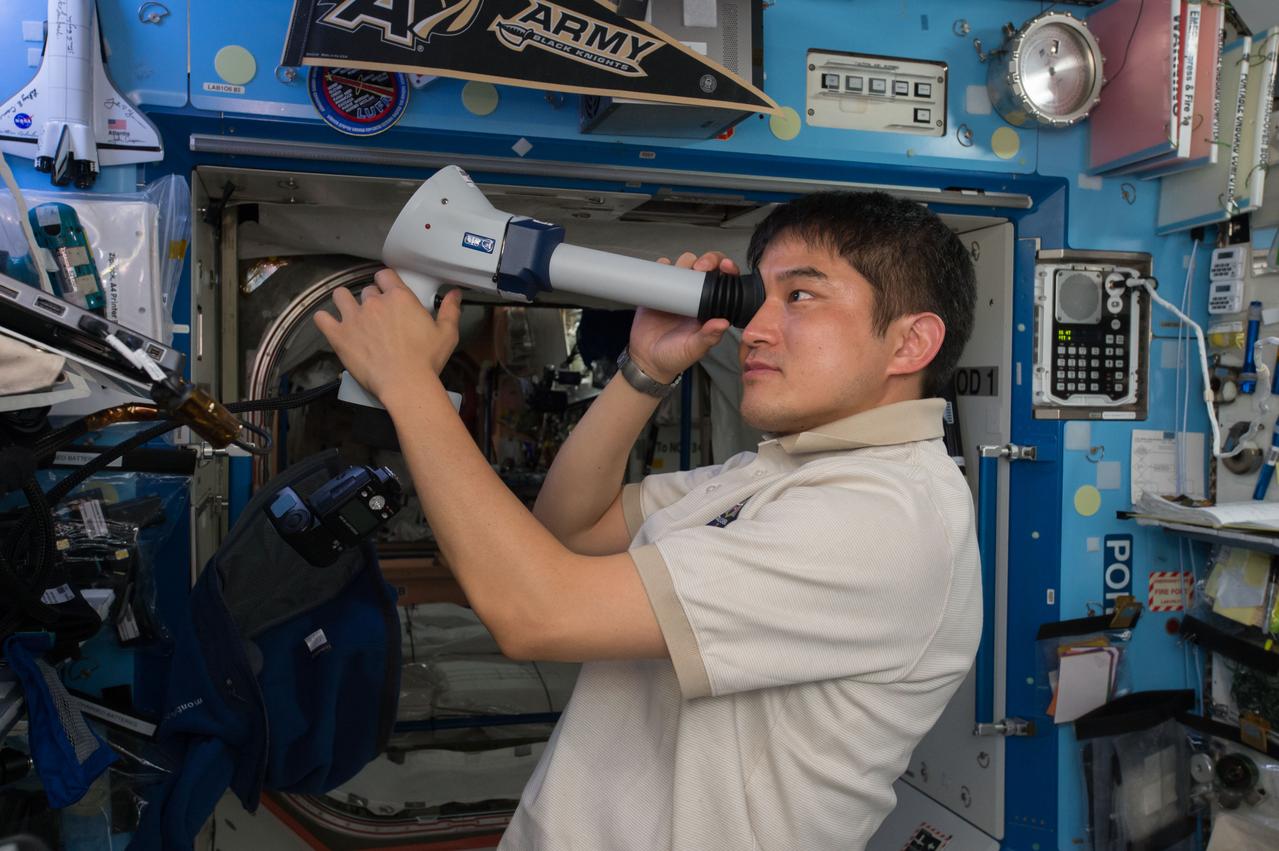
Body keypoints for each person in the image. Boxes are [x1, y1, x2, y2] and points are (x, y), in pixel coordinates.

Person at [315, 190, 982, 850]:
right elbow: (569, 531)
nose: (753, 329)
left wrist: (409, 384)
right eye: (758, 298)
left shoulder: (884, 517)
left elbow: (535, 611)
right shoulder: (777, 472)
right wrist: (644, 372)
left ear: (910, 342)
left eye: (800, 295)